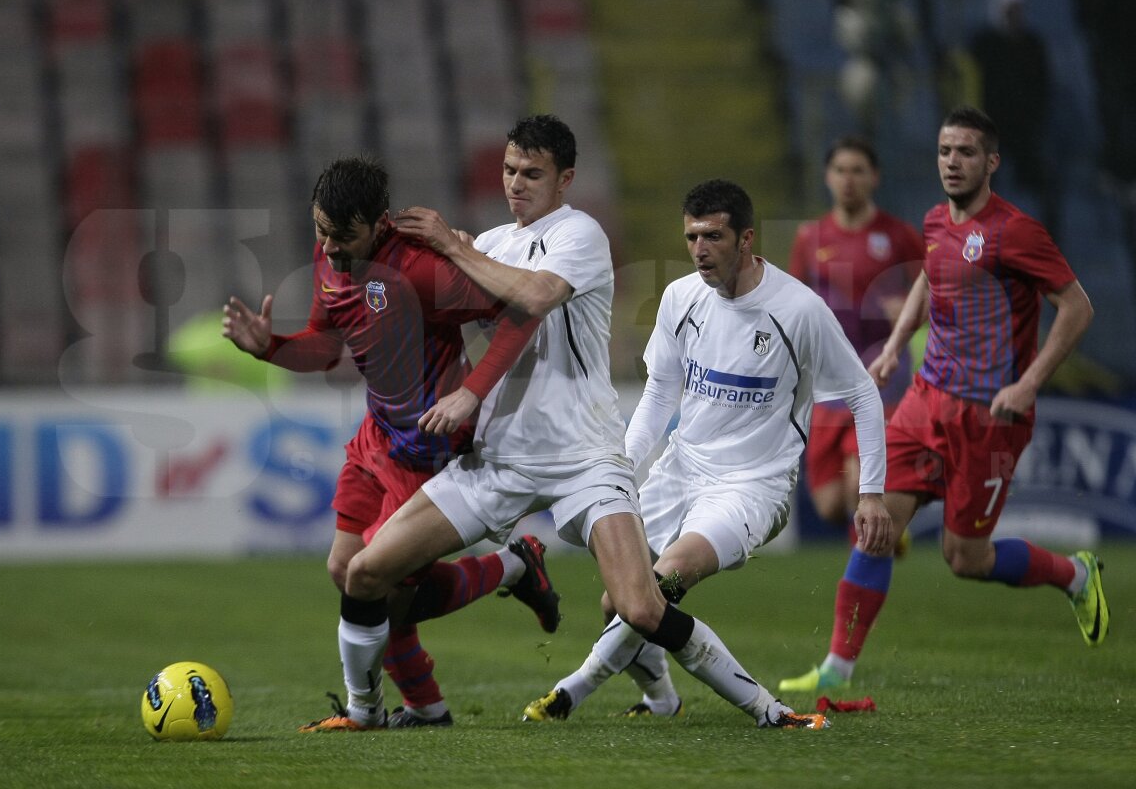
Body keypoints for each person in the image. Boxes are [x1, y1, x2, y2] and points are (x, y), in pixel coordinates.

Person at [320, 114, 831, 732]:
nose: (516, 183)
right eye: (509, 170)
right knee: (365, 572)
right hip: (498, 458)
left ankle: (770, 711)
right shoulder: (492, 244)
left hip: (583, 458)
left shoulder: (579, 233)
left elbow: (535, 296)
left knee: (639, 606)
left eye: (532, 174)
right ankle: (364, 712)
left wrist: (454, 248)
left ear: (564, 179)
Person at [517, 178, 892, 721]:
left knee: (663, 580)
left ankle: (573, 689)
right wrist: (621, 467)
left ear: (746, 239)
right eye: (692, 237)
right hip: (681, 468)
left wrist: (872, 493)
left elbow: (862, 393)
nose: (699, 249)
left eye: (713, 236)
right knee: (617, 602)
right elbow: (659, 394)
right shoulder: (680, 298)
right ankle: (662, 700)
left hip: (751, 487)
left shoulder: (798, 310)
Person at [222, 155, 560, 729]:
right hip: (376, 435)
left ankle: (505, 574)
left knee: (377, 587)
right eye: (321, 231)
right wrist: (270, 348)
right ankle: (427, 704)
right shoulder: (330, 256)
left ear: (379, 223)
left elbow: (522, 314)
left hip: (427, 451)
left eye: (343, 236)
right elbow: (325, 346)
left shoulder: (421, 271)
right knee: (345, 569)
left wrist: (472, 392)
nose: (329, 247)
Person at [779, 106, 1106, 695]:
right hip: (924, 401)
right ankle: (836, 668)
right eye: (945, 151)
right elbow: (929, 280)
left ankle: (1074, 576)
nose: (952, 162)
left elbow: (1077, 306)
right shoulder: (934, 221)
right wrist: (894, 346)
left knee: (965, 558)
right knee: (874, 523)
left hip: (989, 417)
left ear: (991, 162)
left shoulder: (1016, 232)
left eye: (966, 152)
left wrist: (1029, 382)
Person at [789, 136, 922, 549]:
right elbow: (790, 302)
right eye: (841, 170)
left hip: (880, 375)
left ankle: (866, 568)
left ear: (874, 177)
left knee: (857, 482)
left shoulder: (898, 236)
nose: (849, 179)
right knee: (829, 503)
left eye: (858, 171)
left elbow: (935, 290)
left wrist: (912, 311)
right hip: (828, 381)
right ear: (828, 177)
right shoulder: (810, 238)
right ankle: (886, 536)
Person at [968, 0, 1053, 231]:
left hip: (1024, 128)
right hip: (991, 127)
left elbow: (1041, 86)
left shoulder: (1032, 45)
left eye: (1018, 11)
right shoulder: (983, 45)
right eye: (1009, 11)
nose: (1014, 17)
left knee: (1034, 179)